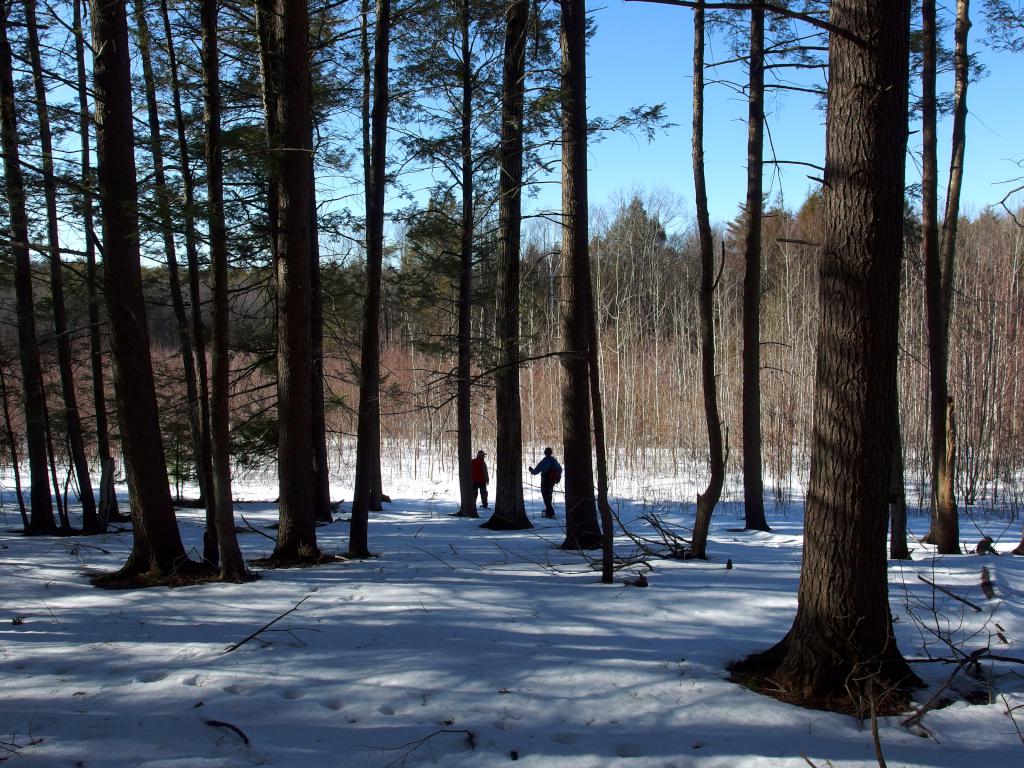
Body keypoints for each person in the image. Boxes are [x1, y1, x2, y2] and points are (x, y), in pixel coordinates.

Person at [529, 447, 562, 518]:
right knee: (549, 496)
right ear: (551, 453)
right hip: (552, 481)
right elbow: (560, 469)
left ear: (545, 453)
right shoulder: (554, 461)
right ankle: (548, 511)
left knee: (545, 496)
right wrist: (557, 476)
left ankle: (550, 512)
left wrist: (531, 470)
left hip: (545, 482)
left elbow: (535, 471)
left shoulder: (544, 461)